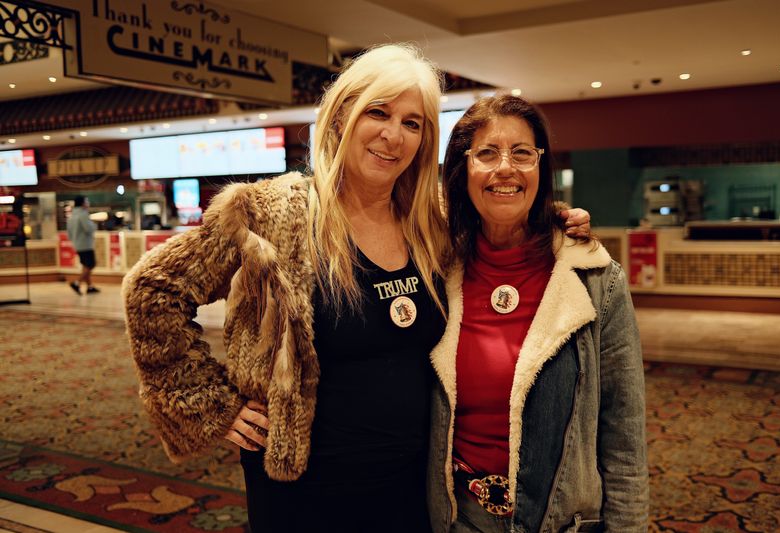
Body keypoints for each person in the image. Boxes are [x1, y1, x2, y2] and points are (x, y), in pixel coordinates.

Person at [123, 45, 590, 533]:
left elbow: (503, 217)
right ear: (343, 113)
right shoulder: (271, 214)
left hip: (413, 486)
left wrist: (556, 224)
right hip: (305, 489)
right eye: (379, 113)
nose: (394, 136)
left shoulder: (431, 221)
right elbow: (153, 287)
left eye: (413, 124)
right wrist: (209, 406)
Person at [427, 95, 648, 533]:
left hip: (561, 520)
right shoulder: (434, 270)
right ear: (462, 169)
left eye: (522, 153)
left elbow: (624, 432)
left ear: (540, 168)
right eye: (486, 153)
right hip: (457, 518)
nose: (505, 168)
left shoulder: (595, 279)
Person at [66, 195, 99, 294]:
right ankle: (77, 283)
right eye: (87, 201)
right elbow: (88, 228)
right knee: (91, 264)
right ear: (82, 203)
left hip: (77, 244)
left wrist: (74, 241)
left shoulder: (71, 216)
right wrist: (95, 225)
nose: (88, 203)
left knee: (86, 265)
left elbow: (69, 233)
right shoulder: (83, 214)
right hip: (86, 244)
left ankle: (90, 287)